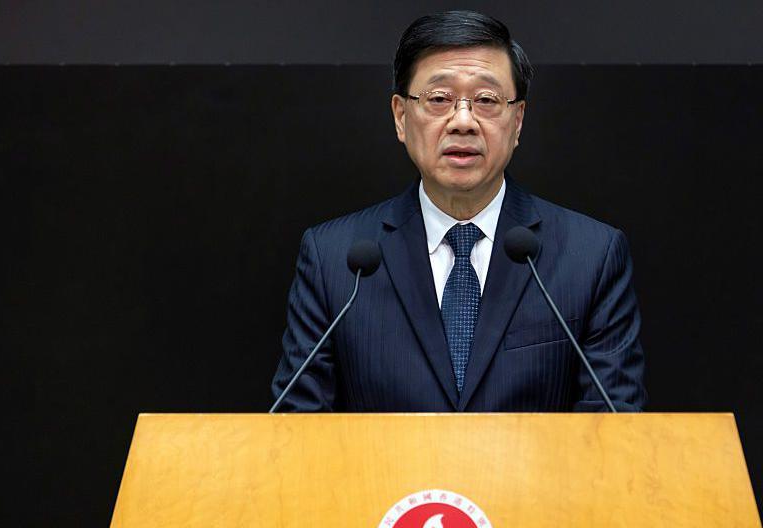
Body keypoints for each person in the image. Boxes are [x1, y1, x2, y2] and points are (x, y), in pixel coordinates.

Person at [270, 10, 646, 412]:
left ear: (517, 121)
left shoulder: (591, 256)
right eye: (439, 99)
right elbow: (299, 432)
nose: (463, 121)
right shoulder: (335, 260)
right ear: (401, 117)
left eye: (486, 100)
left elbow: (613, 431)